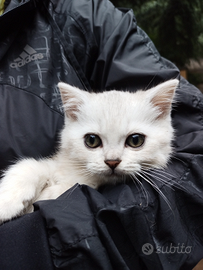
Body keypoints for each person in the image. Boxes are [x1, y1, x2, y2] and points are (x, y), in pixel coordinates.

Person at [0, 0, 203, 269]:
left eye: (135, 140)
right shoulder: (62, 166)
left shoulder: (75, 14)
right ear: (70, 120)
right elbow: (50, 167)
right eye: (93, 141)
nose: (112, 159)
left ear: (162, 118)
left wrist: (33, 241)